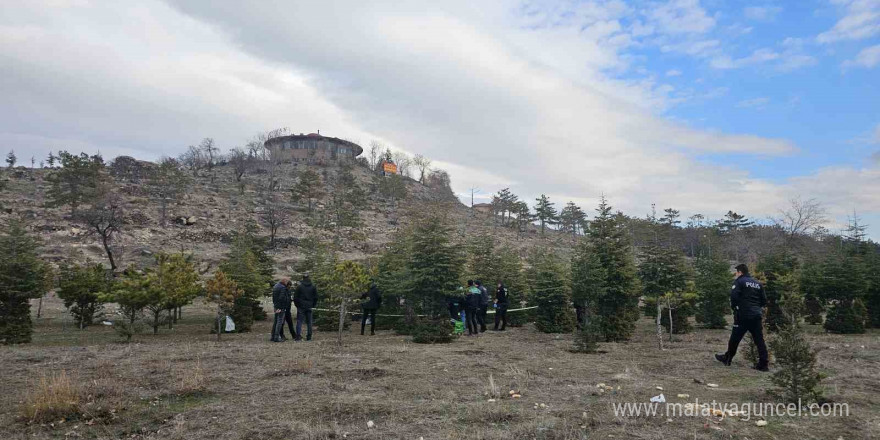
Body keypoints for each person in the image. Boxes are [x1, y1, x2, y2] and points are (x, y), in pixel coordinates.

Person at [715, 263, 769, 371]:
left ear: (740, 272)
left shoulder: (739, 282)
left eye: (736, 272)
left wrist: (735, 308)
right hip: (756, 315)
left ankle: (727, 358)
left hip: (743, 315)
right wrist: (756, 308)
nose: (735, 274)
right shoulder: (757, 284)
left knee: (735, 338)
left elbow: (734, 297)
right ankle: (763, 364)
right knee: (759, 340)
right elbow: (764, 300)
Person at [293, 274, 318, 341]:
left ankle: (298, 337)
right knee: (309, 322)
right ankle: (309, 337)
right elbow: (316, 297)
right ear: (309, 278)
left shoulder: (299, 287)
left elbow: (295, 297)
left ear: (303, 278)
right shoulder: (313, 286)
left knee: (299, 321)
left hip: (301, 306)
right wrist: (313, 305)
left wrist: (297, 305)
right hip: (309, 306)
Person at [271, 278, 292, 342]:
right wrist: (280, 307)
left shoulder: (275, 286)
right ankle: (276, 337)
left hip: (276, 306)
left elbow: (274, 298)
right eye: (287, 282)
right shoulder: (282, 288)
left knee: (275, 322)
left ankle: (273, 336)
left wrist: (276, 306)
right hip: (281, 307)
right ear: (284, 282)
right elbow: (282, 298)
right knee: (279, 322)